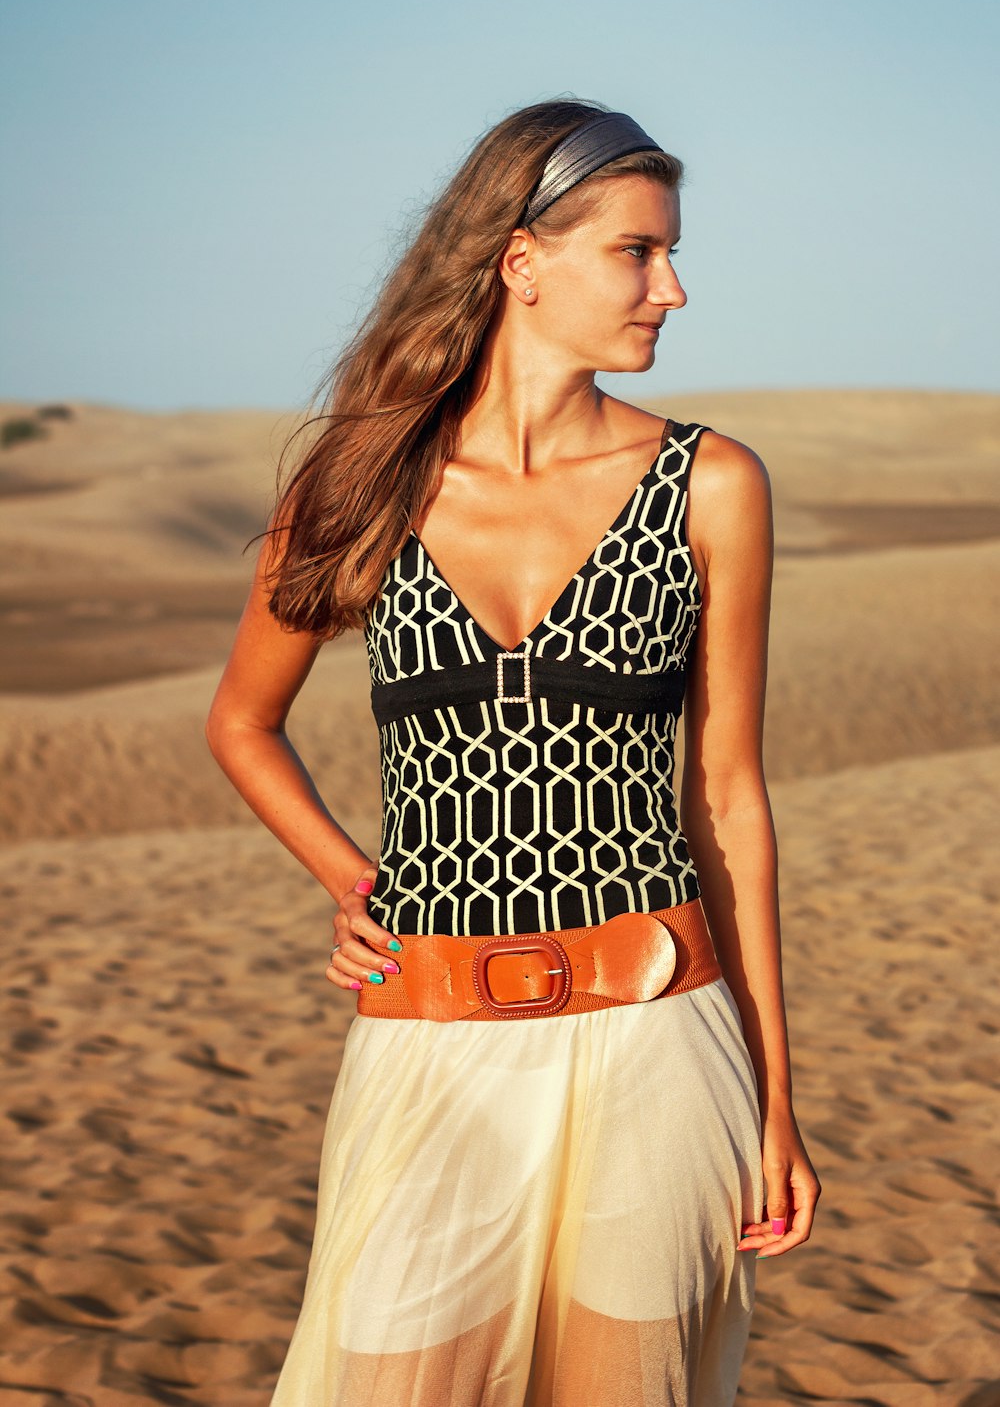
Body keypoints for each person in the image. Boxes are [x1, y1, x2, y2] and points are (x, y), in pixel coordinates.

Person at [205, 97, 821, 1407]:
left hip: (663, 1033)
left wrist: (773, 1096)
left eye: (669, 254)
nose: (675, 288)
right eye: (638, 254)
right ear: (521, 263)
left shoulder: (713, 486)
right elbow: (241, 723)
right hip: (429, 1040)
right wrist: (351, 881)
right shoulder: (358, 484)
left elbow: (730, 801)